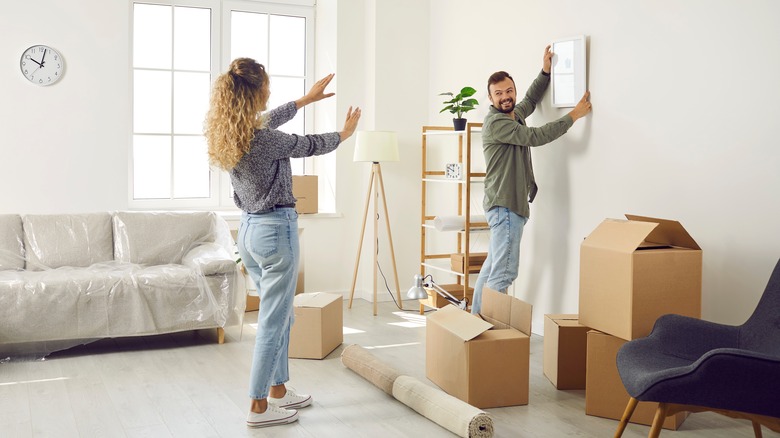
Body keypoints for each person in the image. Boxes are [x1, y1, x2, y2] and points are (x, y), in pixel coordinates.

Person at [204, 58, 361, 428]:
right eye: (267, 87)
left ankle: (278, 390)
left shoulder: (233, 131)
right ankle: (258, 406)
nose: (270, 92)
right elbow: (308, 145)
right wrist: (344, 135)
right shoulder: (264, 140)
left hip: (249, 234)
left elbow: (270, 117)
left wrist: (305, 100)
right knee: (274, 324)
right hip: (275, 231)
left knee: (281, 316)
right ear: (253, 92)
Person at [470, 46, 591, 315]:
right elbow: (535, 137)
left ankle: (475, 326)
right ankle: (493, 337)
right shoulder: (497, 123)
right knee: (503, 274)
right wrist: (574, 115)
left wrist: (545, 71)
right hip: (506, 207)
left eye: (508, 91)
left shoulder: (513, 114)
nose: (505, 97)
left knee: (491, 269)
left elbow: (530, 101)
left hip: (503, 206)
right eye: (498, 93)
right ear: (490, 97)